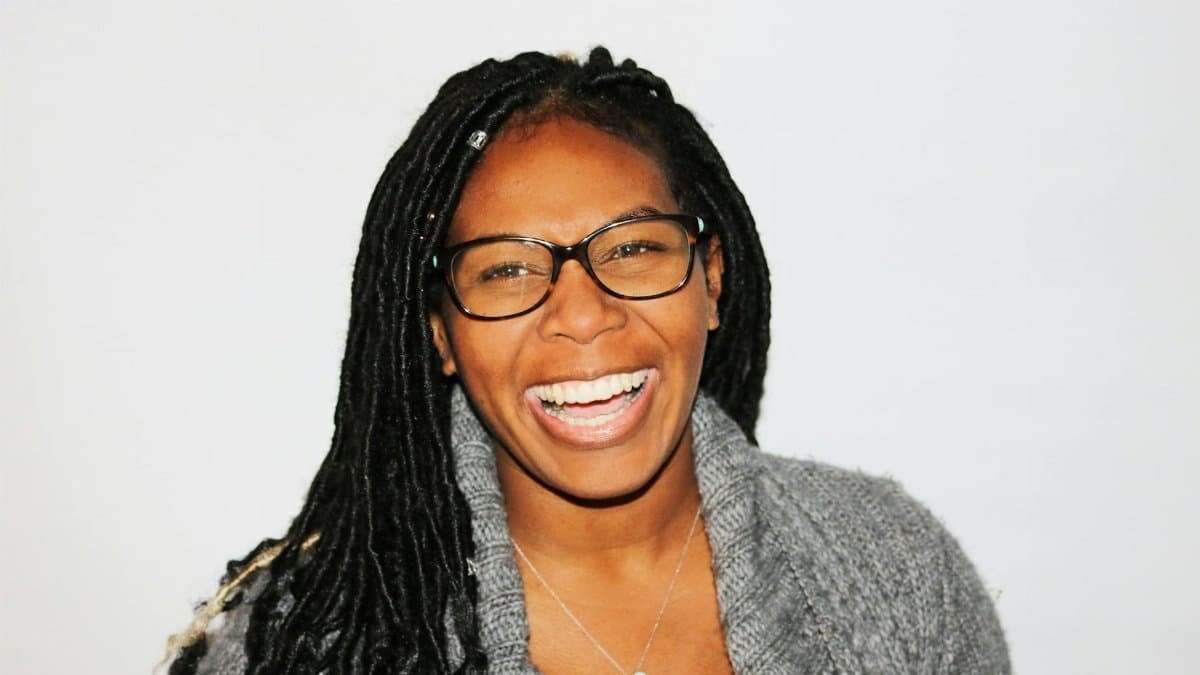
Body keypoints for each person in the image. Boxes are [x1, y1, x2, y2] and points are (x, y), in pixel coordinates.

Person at [163, 47, 1010, 674]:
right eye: (506, 268)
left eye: (633, 247)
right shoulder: (303, 647)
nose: (581, 314)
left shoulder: (894, 573)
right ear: (440, 332)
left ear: (711, 279)